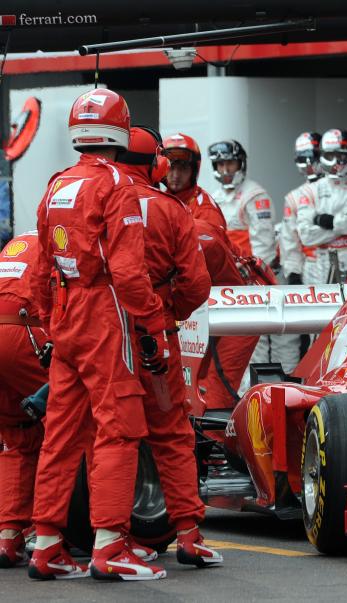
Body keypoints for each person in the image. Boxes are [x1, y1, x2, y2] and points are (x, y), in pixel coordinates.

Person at [29, 88, 168, 580]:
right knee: (120, 426)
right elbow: (130, 274)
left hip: (65, 311)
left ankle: (45, 544)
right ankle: (110, 545)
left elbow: (43, 265)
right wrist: (153, 322)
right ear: (121, 129)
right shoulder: (116, 186)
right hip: (104, 312)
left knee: (61, 433)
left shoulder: (56, 184)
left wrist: (50, 321)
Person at [115, 126, 222, 566]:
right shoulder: (172, 210)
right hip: (155, 336)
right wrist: (166, 311)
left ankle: (91, 539)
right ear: (156, 165)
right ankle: (189, 535)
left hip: (102, 335)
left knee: (105, 435)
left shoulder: (86, 196)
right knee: (172, 433)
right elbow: (197, 285)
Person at [0, 232, 48, 568]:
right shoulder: (62, 242)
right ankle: (51, 533)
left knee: (17, 437)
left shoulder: (16, 243)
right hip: (24, 334)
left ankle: (8, 537)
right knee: (70, 427)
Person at [295, 128, 347, 285]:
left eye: (340, 155)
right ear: (322, 156)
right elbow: (306, 236)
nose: (335, 162)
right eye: (329, 156)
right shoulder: (309, 190)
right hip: (321, 267)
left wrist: (330, 222)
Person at [194, 219, 262, 409]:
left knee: (217, 384)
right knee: (193, 378)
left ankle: (213, 437)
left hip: (243, 306)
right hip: (206, 306)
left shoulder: (204, 241)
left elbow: (232, 292)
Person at [208, 139, 275, 264]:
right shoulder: (214, 197)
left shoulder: (255, 195)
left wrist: (257, 270)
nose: (225, 170)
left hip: (249, 269)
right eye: (221, 164)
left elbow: (264, 242)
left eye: (230, 163)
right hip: (224, 268)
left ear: (241, 163)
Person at [281, 131, 324, 286]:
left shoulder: (345, 188)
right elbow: (290, 241)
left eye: (313, 157)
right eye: (303, 158)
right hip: (311, 267)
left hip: (346, 261)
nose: (309, 164)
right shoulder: (294, 197)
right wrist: (294, 274)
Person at [161, 133, 226, 230]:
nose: (176, 175)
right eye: (171, 167)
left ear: (193, 171)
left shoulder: (206, 209)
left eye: (183, 168)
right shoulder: (159, 200)